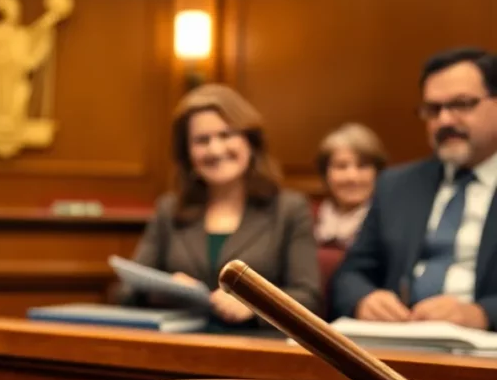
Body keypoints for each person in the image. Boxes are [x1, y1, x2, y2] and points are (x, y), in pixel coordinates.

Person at [122, 84, 322, 329]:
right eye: (202, 140)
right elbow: (125, 290)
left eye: (226, 135)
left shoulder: (289, 210)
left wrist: (254, 306)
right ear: (188, 153)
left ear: (250, 141)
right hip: (179, 342)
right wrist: (164, 290)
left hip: (254, 346)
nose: (215, 149)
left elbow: (309, 298)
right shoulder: (169, 209)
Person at [332, 48, 497, 330]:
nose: (444, 121)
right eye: (433, 109)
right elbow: (349, 275)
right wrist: (364, 299)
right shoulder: (397, 185)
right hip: (399, 341)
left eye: (461, 104)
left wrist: (482, 314)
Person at [314, 123, 387, 248]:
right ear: (325, 173)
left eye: (362, 166)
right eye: (341, 166)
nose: (352, 177)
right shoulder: (307, 217)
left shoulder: (389, 222)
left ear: (377, 173)